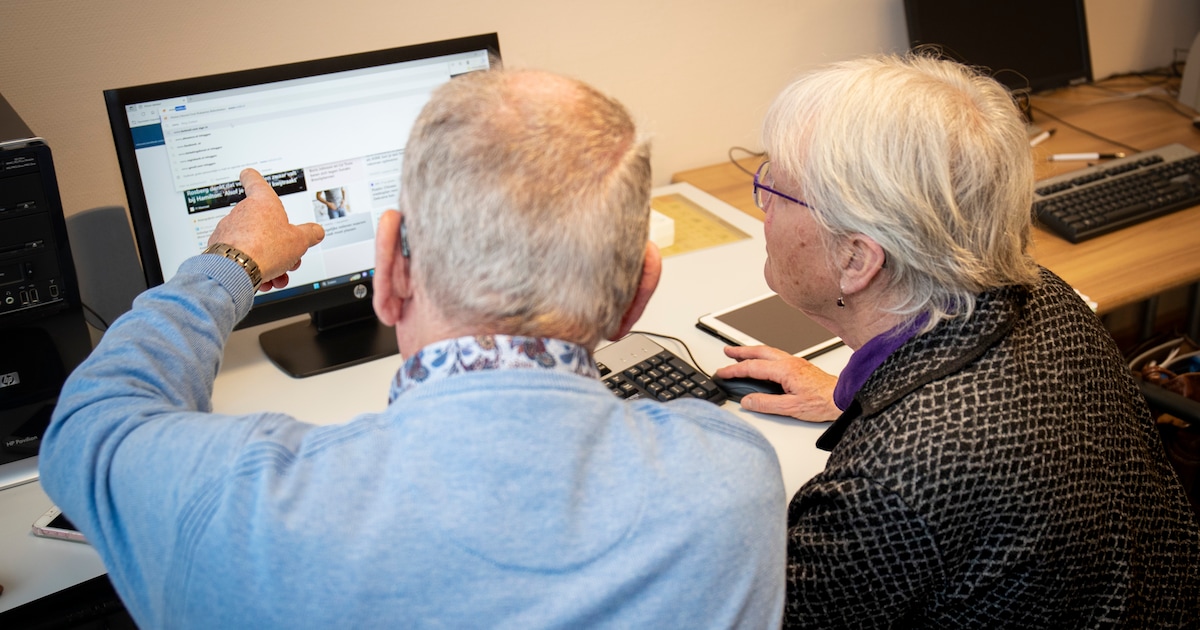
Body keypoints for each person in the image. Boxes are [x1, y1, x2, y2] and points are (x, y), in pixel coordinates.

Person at [39, 69, 786, 628]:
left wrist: (230, 264)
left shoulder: (238, 500)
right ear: (637, 293)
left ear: (391, 270)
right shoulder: (732, 475)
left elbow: (89, 425)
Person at [713, 53, 1200, 627]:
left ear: (856, 257)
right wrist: (860, 396)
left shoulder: (884, 487)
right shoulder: (1045, 294)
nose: (762, 208)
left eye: (775, 189)